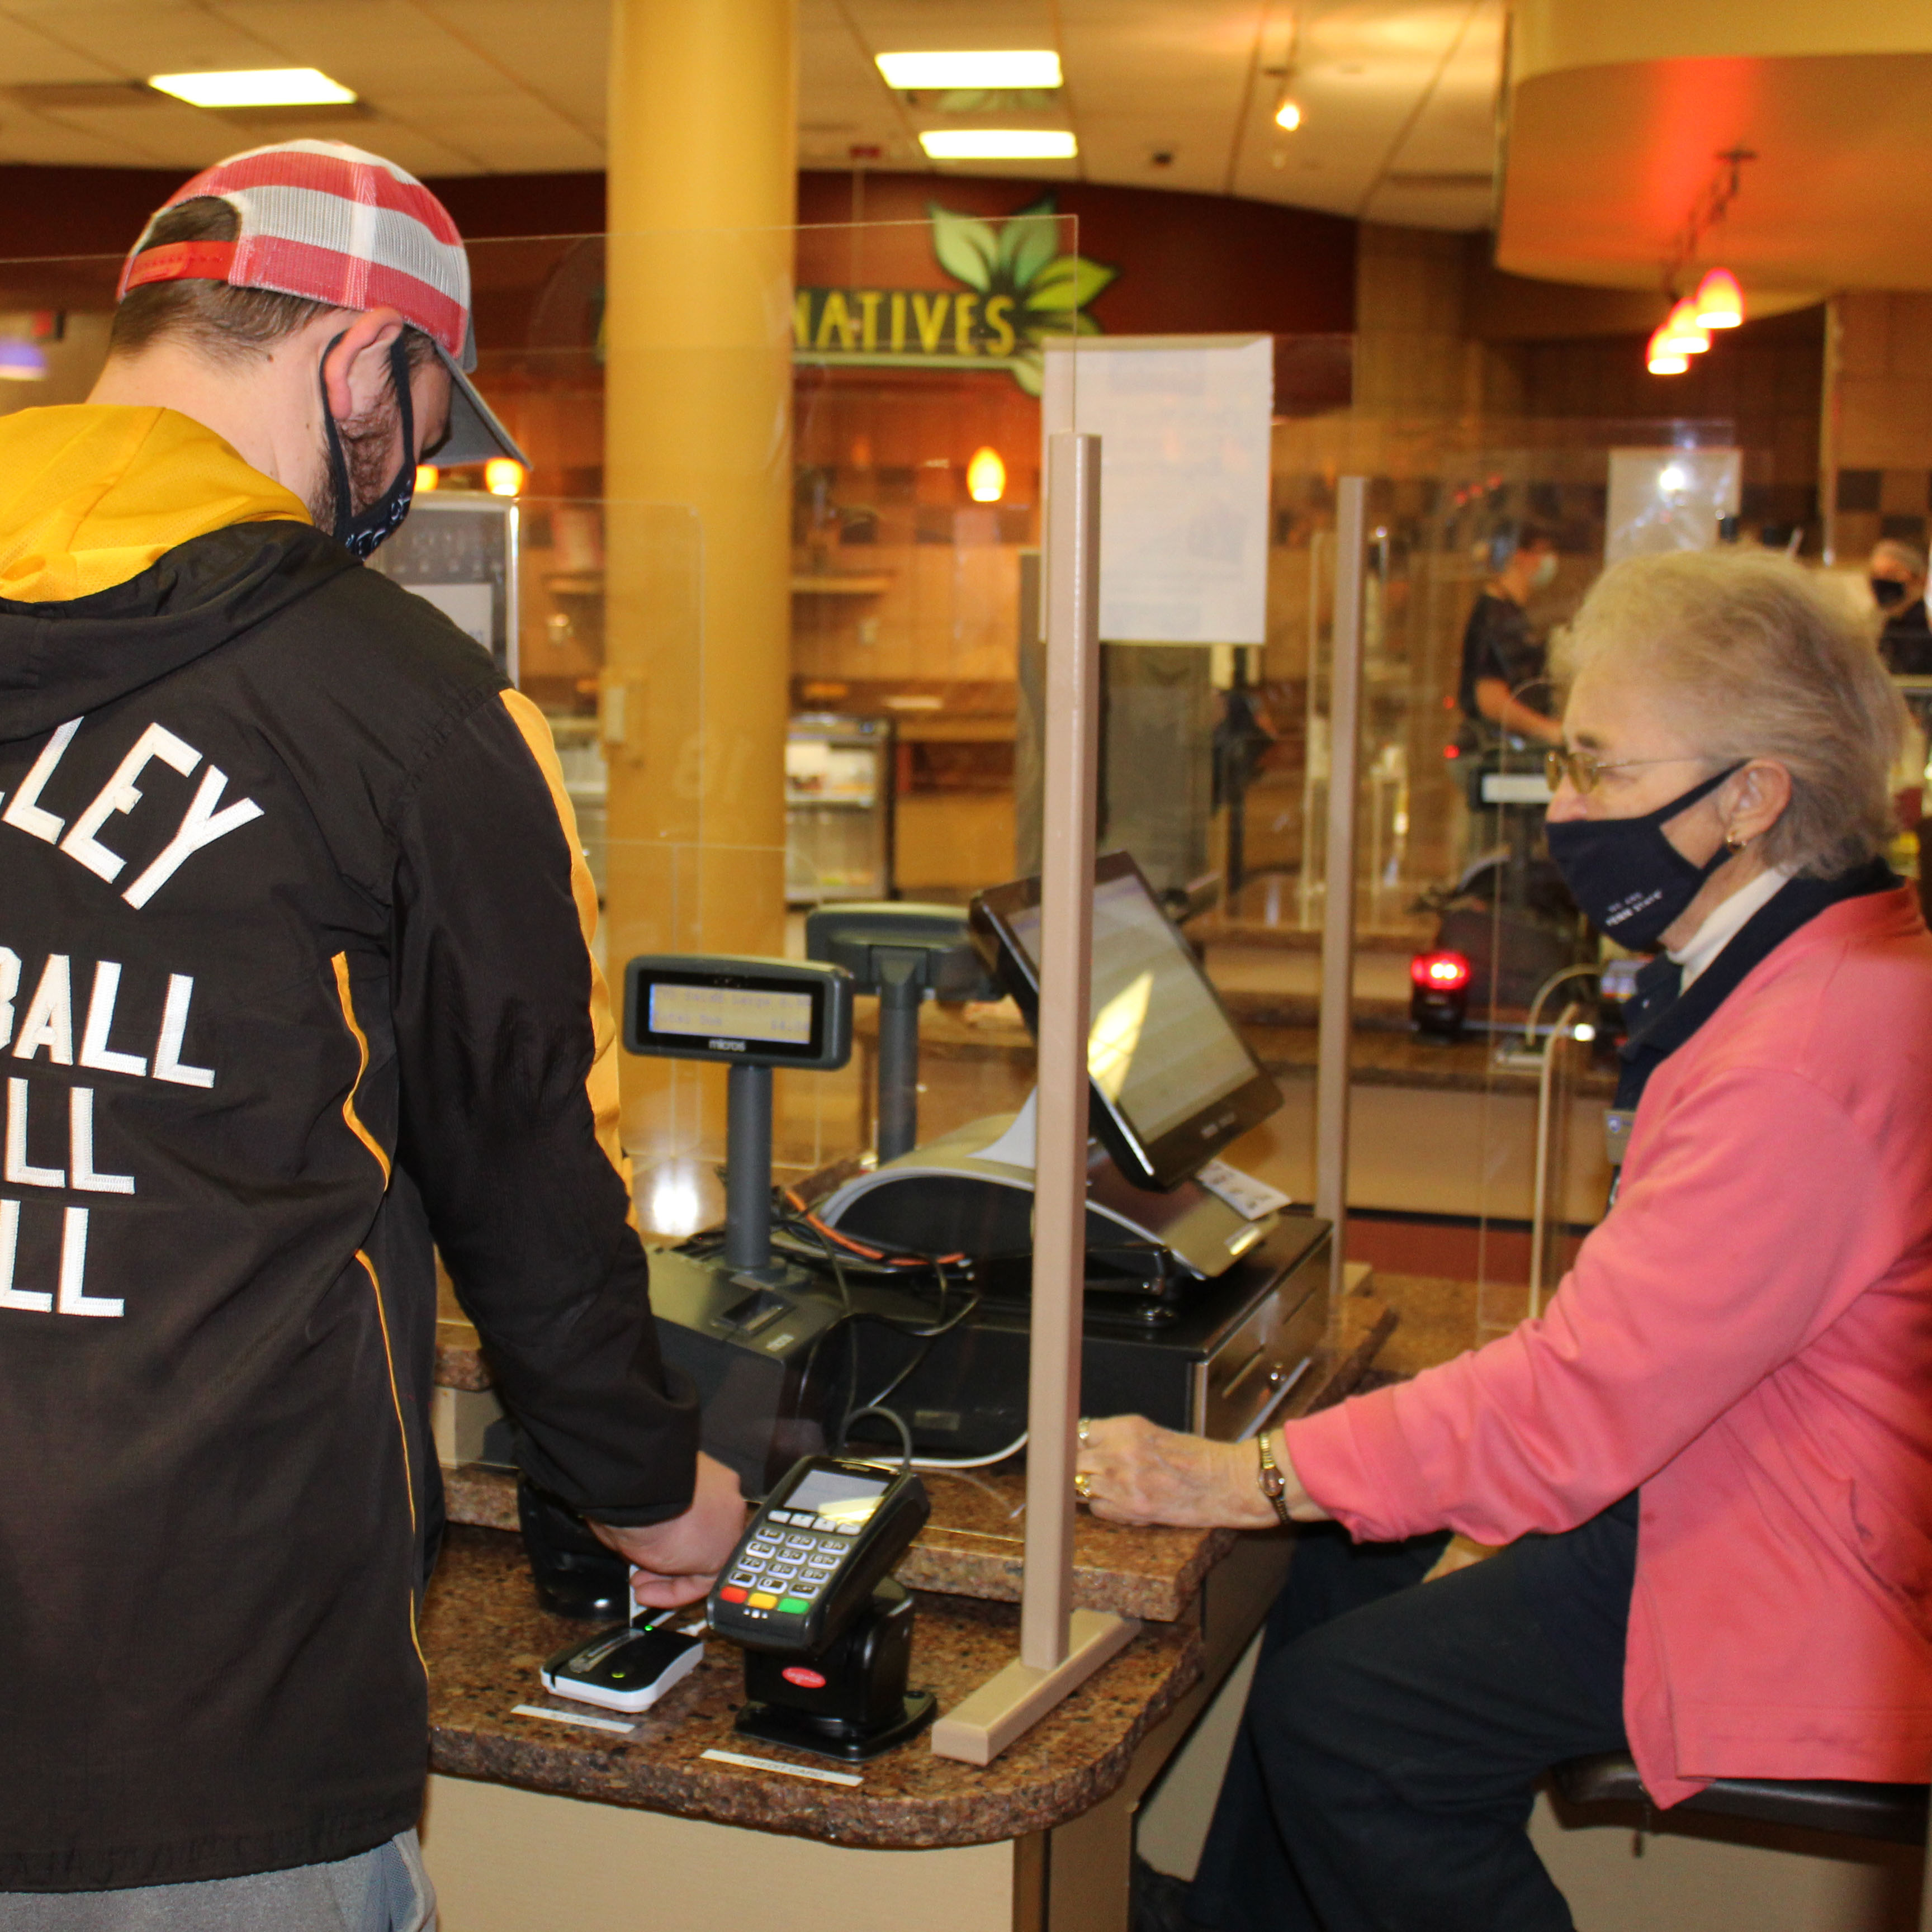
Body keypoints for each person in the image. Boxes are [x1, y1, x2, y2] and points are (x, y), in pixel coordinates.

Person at [0, 142, 743, 1925]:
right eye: (421, 408)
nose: (415, 465)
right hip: (206, 1707)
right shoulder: (408, 709)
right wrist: (654, 1495)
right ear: (356, 363)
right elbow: (524, 1185)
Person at [1080, 548, 1932, 1930]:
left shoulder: (1798, 1058)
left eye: (1599, 768)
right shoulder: (1817, 958)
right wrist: (1328, 1477)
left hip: (1799, 1552)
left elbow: (1581, 1405)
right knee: (1342, 1573)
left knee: (1353, 1721)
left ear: (1751, 796)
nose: (1564, 804)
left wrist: (1249, 1475)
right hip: (1753, 1466)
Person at [1455, 523, 1565, 751]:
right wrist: (1548, 730)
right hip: (1492, 749)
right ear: (1519, 556)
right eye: (1542, 552)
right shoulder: (1495, 616)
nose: (1548, 561)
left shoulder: (1512, 614)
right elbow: (1490, 700)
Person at [1871, 536, 1932, 675]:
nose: (1882, 581)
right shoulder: (1890, 622)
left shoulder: (1924, 625)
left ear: (1920, 580)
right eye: (1876, 574)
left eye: (1892, 574)